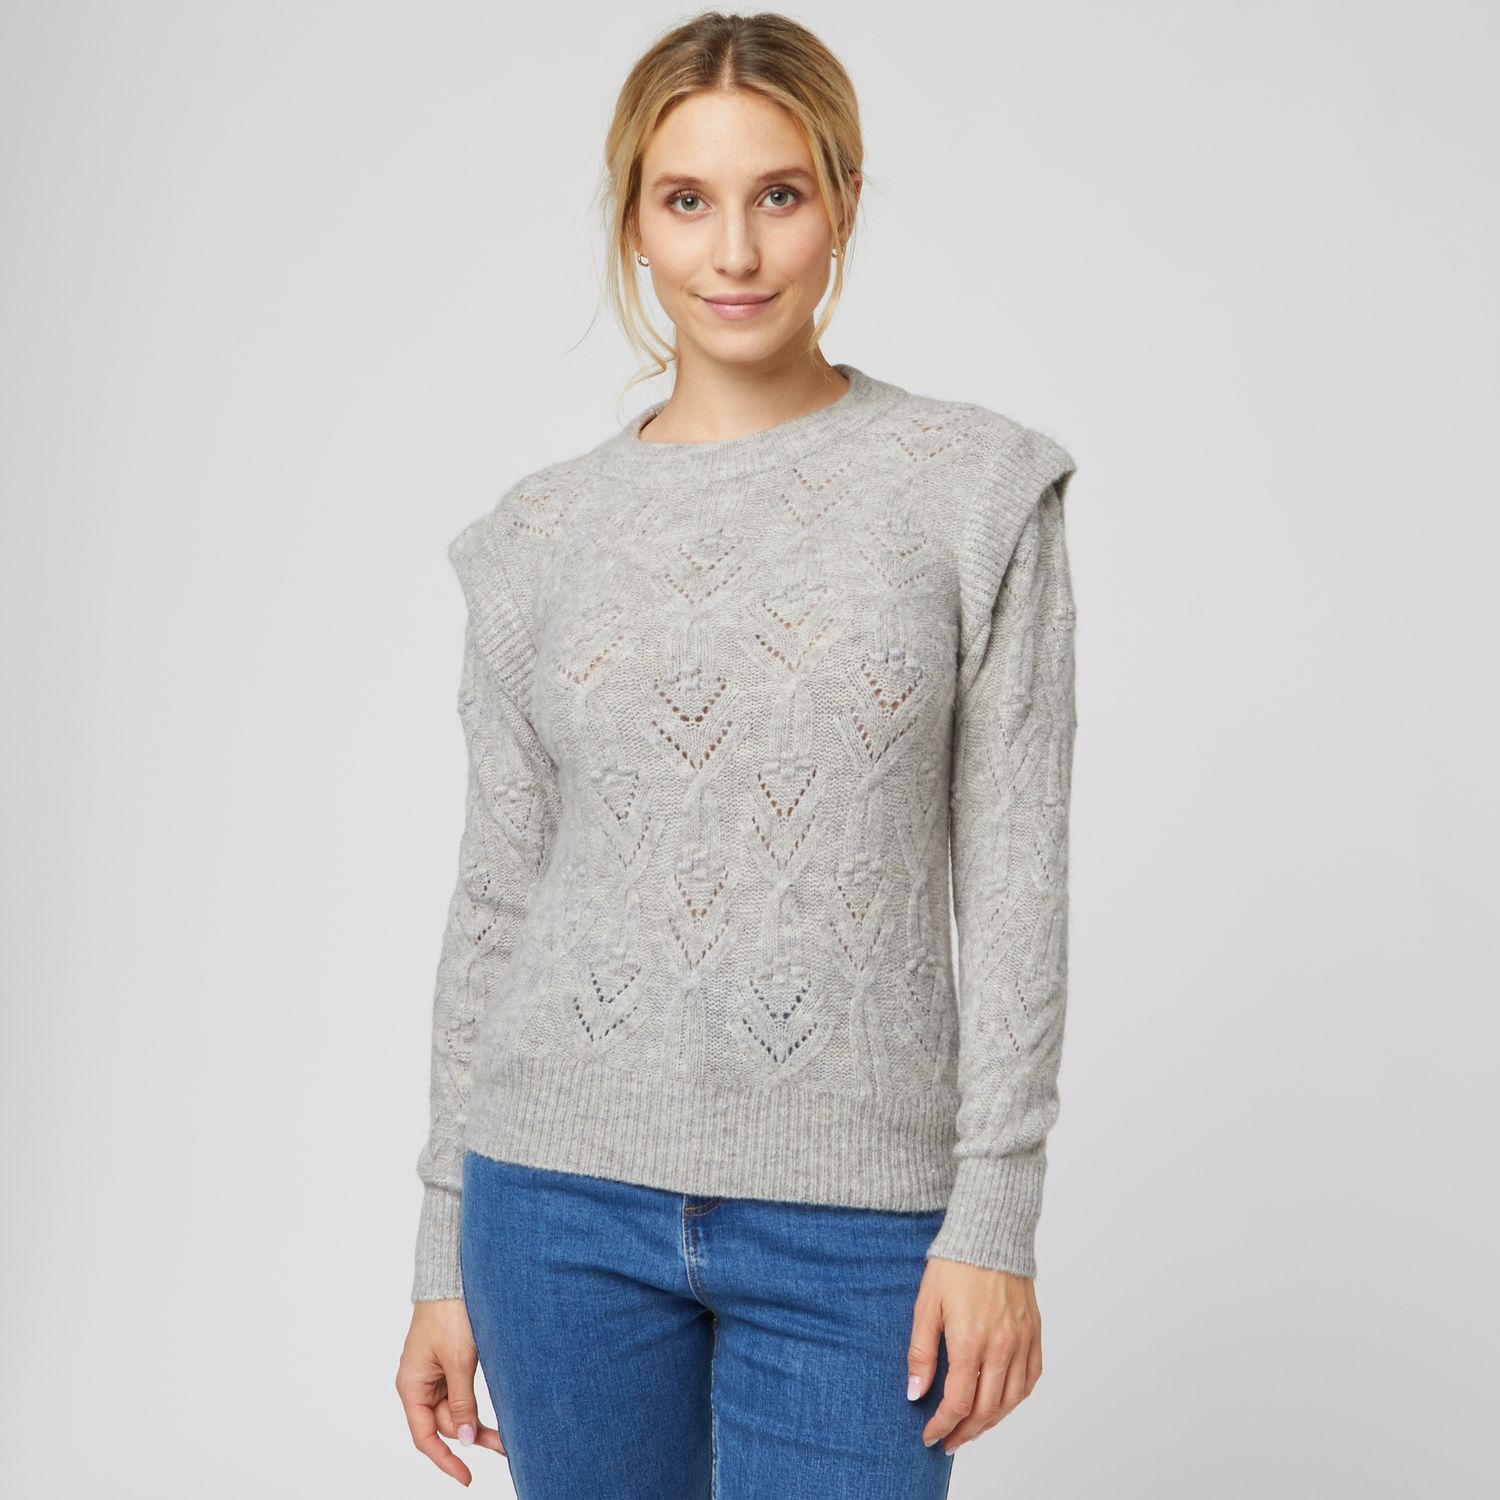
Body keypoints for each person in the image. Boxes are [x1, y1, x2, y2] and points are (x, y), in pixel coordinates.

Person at [395, 12, 1079, 1497]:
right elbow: (497, 898)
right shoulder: (534, 539)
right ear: (634, 224)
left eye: (780, 193)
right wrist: (443, 1244)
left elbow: (1016, 875)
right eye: (686, 200)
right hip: (553, 1205)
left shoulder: (975, 492)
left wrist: (996, 1216)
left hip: (862, 1222)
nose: (736, 251)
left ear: (843, 202)